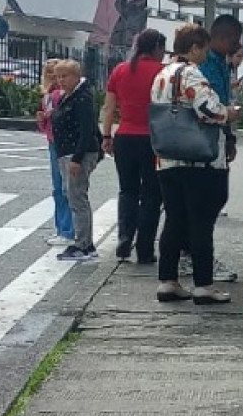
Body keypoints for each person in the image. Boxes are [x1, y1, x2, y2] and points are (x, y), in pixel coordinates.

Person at [151, 24, 237, 305]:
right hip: (197, 160)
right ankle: (204, 284)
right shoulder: (190, 73)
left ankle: (168, 281)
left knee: (174, 218)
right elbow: (209, 108)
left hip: (167, 158)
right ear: (195, 48)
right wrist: (230, 113)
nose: (205, 54)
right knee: (201, 222)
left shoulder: (161, 74)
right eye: (203, 49)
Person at [101, 29, 167, 264]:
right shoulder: (162, 72)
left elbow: (108, 108)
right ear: (157, 47)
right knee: (152, 194)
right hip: (153, 140)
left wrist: (107, 135)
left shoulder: (120, 70)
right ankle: (145, 249)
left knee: (127, 191)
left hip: (125, 137)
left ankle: (124, 238)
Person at [192, 14, 243, 283]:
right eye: (234, 40)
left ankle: (193, 252)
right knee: (209, 199)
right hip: (205, 140)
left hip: (219, 137)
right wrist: (227, 118)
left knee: (215, 197)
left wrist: (231, 138)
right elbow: (211, 106)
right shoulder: (206, 66)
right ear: (222, 37)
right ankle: (198, 255)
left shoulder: (222, 64)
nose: (237, 45)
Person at [50, 59, 101, 262]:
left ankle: (84, 244)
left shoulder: (82, 98)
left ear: (76, 76)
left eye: (65, 76)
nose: (61, 80)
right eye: (58, 76)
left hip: (76, 153)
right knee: (72, 195)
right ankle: (82, 242)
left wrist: (78, 158)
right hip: (67, 152)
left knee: (77, 197)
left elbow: (88, 129)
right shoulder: (70, 96)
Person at [36, 59, 74, 247]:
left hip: (62, 144)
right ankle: (63, 229)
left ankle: (67, 230)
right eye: (51, 74)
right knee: (60, 188)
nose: (54, 78)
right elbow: (45, 126)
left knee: (63, 188)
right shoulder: (49, 97)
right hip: (55, 142)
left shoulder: (61, 96)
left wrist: (49, 116)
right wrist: (43, 118)